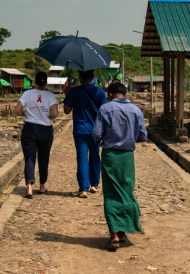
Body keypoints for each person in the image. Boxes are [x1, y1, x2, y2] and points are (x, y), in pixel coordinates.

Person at [92, 82, 147, 250]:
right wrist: (129, 138)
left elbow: (96, 134)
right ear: (125, 94)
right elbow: (143, 136)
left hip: (110, 155)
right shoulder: (136, 110)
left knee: (110, 193)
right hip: (127, 157)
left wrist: (107, 138)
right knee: (126, 191)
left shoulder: (105, 109)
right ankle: (123, 232)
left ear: (110, 94)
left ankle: (114, 234)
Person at [63, 70, 107, 198]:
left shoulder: (74, 91)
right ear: (93, 78)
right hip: (96, 130)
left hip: (80, 130)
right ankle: (94, 184)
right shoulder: (99, 92)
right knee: (95, 157)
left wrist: (67, 93)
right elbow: (104, 111)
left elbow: (66, 111)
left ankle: (83, 189)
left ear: (80, 77)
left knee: (82, 158)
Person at [14, 71, 58, 199]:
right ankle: (42, 186)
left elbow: (17, 110)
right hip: (46, 130)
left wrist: (25, 114)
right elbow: (55, 114)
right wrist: (48, 115)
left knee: (29, 158)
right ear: (46, 83)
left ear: (34, 82)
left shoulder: (27, 94)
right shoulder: (50, 96)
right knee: (44, 158)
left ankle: (29, 188)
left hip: (30, 129)